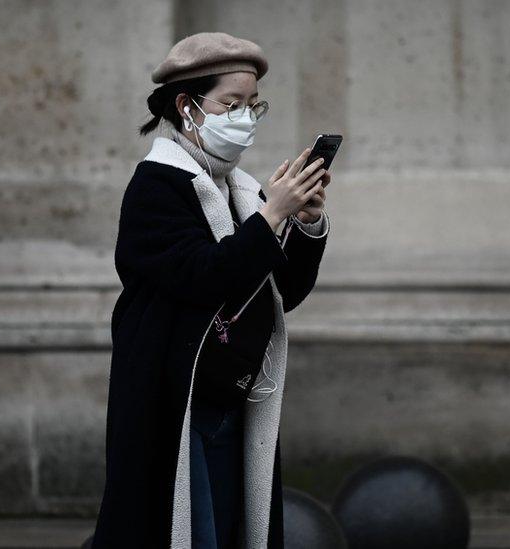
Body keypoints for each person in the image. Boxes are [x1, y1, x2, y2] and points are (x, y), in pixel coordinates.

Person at [91, 32, 331, 548]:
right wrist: (272, 215)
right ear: (187, 106)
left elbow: (280, 291)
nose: (244, 117)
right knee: (178, 530)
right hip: (172, 405)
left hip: (232, 400)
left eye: (252, 105)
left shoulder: (240, 189)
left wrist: (305, 223)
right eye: (231, 104)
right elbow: (204, 276)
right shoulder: (156, 186)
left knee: (228, 530)